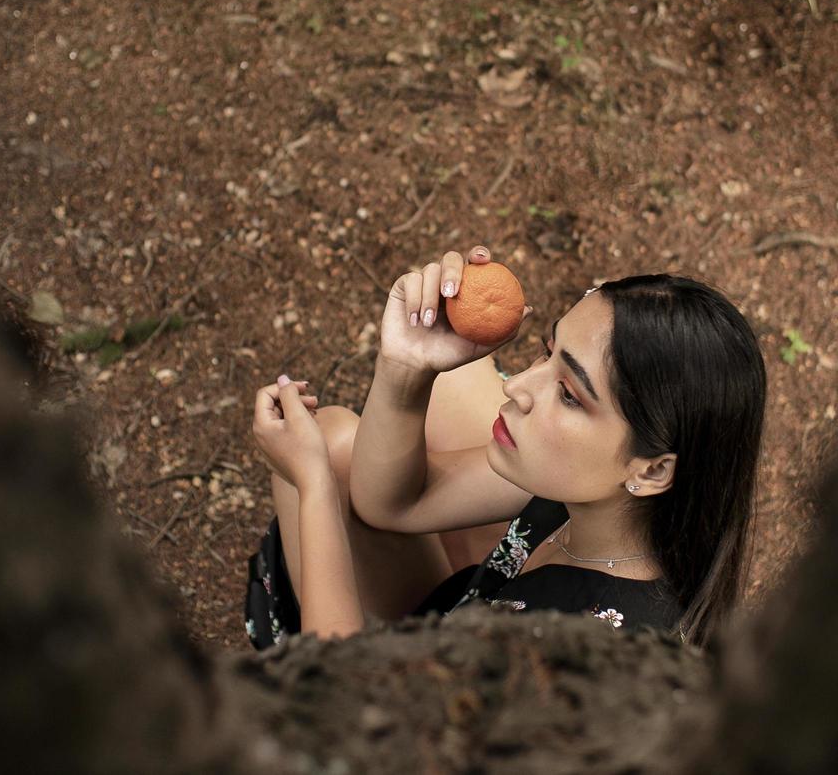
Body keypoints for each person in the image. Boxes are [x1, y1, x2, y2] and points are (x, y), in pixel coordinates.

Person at [245, 244, 766, 649]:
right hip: (462, 626)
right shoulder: (604, 496)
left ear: (652, 471)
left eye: (568, 394)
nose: (517, 383)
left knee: (325, 464)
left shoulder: (569, 651)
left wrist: (310, 484)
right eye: (547, 352)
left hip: (394, 723)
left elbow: (344, 706)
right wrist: (404, 369)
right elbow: (394, 503)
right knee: (432, 391)